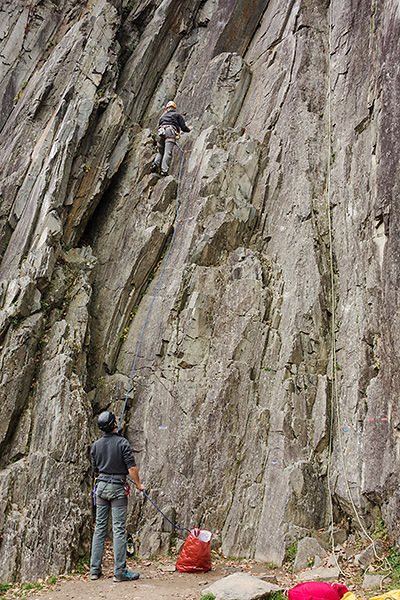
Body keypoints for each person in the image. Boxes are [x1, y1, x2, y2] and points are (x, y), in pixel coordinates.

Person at [90, 410, 145, 582]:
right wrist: (138, 485)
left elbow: (95, 469)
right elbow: (132, 469)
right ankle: (119, 572)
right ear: (114, 424)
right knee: (119, 529)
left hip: (101, 486)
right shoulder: (122, 443)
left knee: (99, 528)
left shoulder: (96, 445)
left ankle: (94, 570)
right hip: (117, 488)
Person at [152, 100, 193, 176]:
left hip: (160, 132)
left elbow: (159, 125)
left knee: (161, 151)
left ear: (167, 109)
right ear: (174, 109)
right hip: (170, 131)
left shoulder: (162, 117)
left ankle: (155, 164)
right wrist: (189, 129)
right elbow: (183, 127)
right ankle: (164, 170)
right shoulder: (177, 115)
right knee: (167, 152)